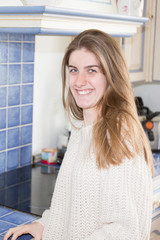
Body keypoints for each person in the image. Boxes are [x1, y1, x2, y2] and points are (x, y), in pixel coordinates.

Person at [4, 29, 154, 240]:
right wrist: (44, 224)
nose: (79, 81)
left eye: (91, 70)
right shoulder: (83, 128)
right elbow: (72, 203)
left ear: (111, 76)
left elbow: (122, 231)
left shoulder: (119, 134)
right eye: (74, 70)